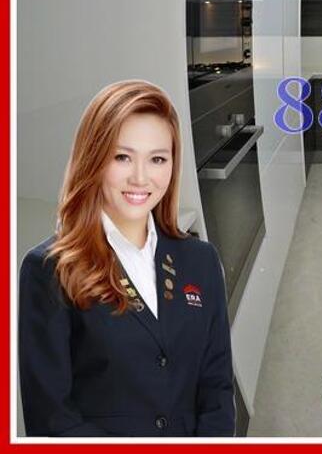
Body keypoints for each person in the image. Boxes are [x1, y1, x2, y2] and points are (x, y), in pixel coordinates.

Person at [18, 80, 235, 437]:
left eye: (157, 159)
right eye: (122, 157)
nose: (140, 177)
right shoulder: (50, 269)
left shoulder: (201, 260)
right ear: (93, 159)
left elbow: (217, 389)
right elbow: (52, 419)